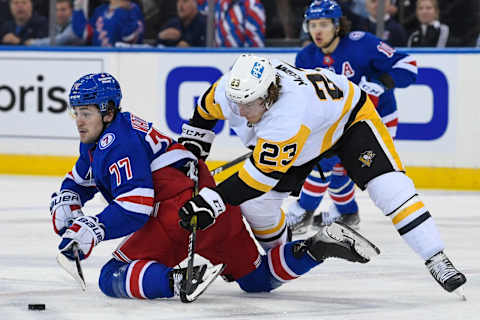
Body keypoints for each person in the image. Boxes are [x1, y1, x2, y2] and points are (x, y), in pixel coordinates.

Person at [51, 72, 379, 301]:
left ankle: (177, 280)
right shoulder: (112, 132)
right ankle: (319, 246)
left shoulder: (116, 142)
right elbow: (83, 176)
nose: (79, 120)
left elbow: (136, 207)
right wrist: (69, 196)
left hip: (177, 218)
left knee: (111, 277)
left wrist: (92, 227)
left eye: (86, 113)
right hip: (212, 205)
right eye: (76, 113)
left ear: (107, 112)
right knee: (257, 280)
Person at [177, 53, 466, 295]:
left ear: (270, 94)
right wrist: (193, 157)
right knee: (257, 207)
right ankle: (281, 256)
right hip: (306, 134)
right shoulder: (231, 91)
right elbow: (202, 116)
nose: (239, 110)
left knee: (389, 189)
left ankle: (436, 257)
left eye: (249, 103)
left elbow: (257, 179)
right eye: (236, 101)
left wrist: (212, 200)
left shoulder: (287, 115)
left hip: (348, 122)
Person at [287, 0, 417, 232]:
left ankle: (303, 211)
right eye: (313, 24)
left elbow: (408, 65)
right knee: (335, 171)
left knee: (329, 163)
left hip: (376, 120)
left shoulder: (362, 43)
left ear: (338, 26)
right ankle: (348, 214)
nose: (317, 30)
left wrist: (381, 83)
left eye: (324, 24)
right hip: (340, 122)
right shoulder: (305, 58)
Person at [71, 0, 144, 46]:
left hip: (122, 62)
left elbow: (130, 37)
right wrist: (78, 8)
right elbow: (86, 34)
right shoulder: (100, 10)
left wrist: (123, 10)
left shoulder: (132, 9)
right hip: (100, 60)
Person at [197, 0, 266, 47]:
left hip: (241, 62)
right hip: (214, 60)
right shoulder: (213, 3)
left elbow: (256, 46)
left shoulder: (252, 5)